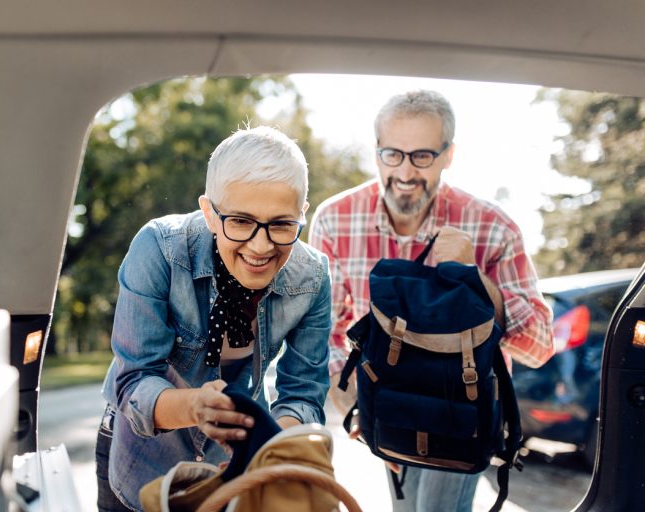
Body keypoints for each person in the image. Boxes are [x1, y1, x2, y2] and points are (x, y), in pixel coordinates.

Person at [309, 90, 554, 512]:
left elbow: (539, 344)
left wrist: (474, 277)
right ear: (376, 152)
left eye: (422, 156)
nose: (405, 171)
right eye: (392, 154)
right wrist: (356, 401)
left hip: (460, 410)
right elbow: (322, 331)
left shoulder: (493, 227)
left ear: (448, 155)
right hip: (387, 405)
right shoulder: (334, 219)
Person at [94, 126, 332, 512]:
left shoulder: (314, 276)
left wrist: (270, 454)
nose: (261, 245)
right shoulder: (158, 248)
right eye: (240, 221)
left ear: (302, 215)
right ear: (209, 212)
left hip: (239, 470)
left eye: (282, 225)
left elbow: (303, 393)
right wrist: (195, 407)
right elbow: (135, 381)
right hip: (143, 465)